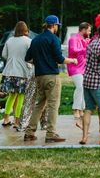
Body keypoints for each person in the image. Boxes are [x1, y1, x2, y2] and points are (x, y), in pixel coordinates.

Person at [23, 15, 77, 143]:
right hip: (51, 75)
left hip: (39, 76)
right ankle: (51, 133)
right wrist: (73, 61)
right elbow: (60, 59)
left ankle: (29, 132)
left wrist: (40, 62)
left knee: (40, 104)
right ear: (54, 25)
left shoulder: (35, 40)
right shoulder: (54, 39)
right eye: (57, 25)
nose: (57, 27)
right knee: (53, 105)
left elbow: (27, 58)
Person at [1, 20, 32, 128]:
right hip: (22, 72)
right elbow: (31, 57)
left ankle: (6, 119)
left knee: (11, 96)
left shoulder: (9, 41)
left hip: (9, 71)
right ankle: (17, 121)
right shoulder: (28, 41)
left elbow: (4, 55)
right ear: (25, 30)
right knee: (21, 97)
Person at [67, 21, 92, 129]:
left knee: (83, 88)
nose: (90, 32)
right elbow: (73, 50)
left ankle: (81, 110)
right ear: (84, 29)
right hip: (74, 67)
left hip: (83, 68)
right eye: (89, 30)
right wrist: (85, 47)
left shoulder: (86, 40)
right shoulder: (74, 38)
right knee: (80, 86)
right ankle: (76, 110)